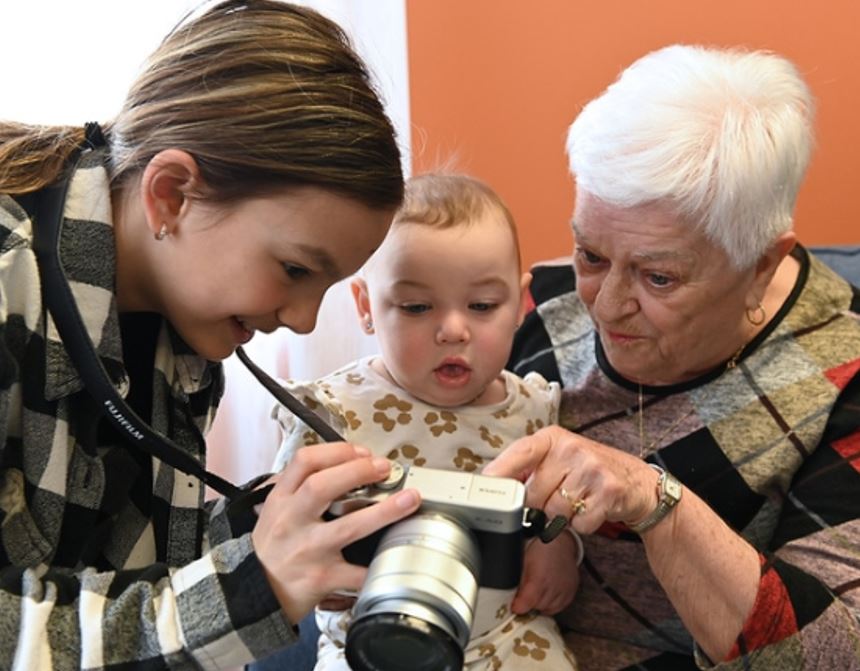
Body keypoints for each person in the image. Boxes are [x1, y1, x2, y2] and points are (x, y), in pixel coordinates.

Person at [0, 2, 425, 669]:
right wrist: (254, 589)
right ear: (171, 193)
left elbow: (128, 590)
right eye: (293, 269)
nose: (304, 318)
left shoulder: (187, 334)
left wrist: (274, 533)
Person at [480, 44, 860, 670]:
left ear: (760, 261)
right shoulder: (534, 307)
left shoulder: (844, 382)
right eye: (591, 255)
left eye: (658, 278)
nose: (603, 308)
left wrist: (655, 500)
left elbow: (832, 656)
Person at [269, 173, 581, 669]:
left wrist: (559, 542)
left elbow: (560, 503)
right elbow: (279, 527)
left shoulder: (535, 411)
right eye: (416, 307)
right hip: (368, 637)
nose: (454, 329)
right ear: (367, 307)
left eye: (482, 306)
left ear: (521, 305)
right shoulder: (331, 412)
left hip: (502, 633)